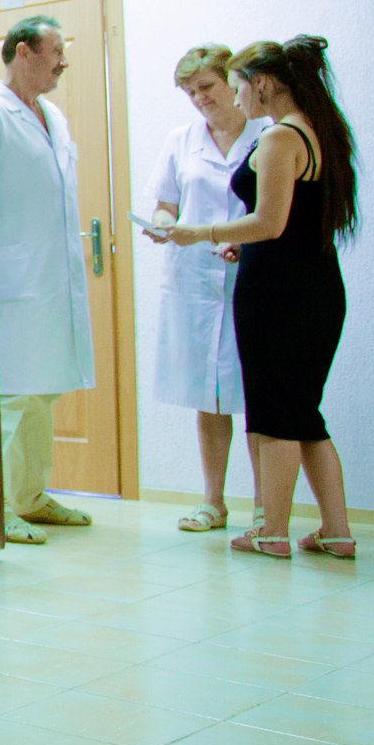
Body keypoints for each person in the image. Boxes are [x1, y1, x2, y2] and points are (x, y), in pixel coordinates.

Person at [165, 36, 357, 559]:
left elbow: (269, 222)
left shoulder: (278, 138)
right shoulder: (320, 130)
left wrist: (202, 232)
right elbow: (294, 222)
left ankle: (271, 531)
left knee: (274, 417)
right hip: (315, 286)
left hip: (278, 294)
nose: (234, 95)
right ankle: (337, 531)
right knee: (304, 416)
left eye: (237, 85)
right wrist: (239, 243)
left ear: (264, 83)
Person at [0, 15, 97, 546]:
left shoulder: (52, 116)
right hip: (9, 283)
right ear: (24, 52)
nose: (64, 62)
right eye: (56, 51)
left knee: (42, 392)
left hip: (51, 281)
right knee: (9, 396)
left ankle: (31, 496)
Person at [141, 45, 266, 534]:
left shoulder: (266, 133)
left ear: (232, 81)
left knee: (258, 396)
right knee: (208, 396)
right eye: (191, 92)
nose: (200, 99)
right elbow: (166, 203)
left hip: (251, 274)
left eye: (207, 87)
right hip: (194, 279)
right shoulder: (182, 140)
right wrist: (161, 222)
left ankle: (266, 507)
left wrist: (239, 241)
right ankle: (213, 502)